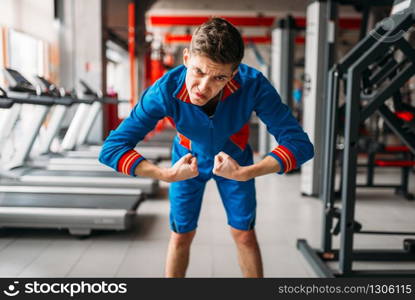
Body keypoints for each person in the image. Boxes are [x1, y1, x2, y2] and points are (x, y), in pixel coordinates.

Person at [99, 18, 314, 278]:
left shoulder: (253, 84)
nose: (203, 87)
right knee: (180, 236)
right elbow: (112, 149)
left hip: (237, 162)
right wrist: (166, 174)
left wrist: (248, 172)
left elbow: (300, 145)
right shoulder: (164, 90)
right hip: (186, 163)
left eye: (219, 77)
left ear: (233, 74)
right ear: (187, 58)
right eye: (198, 71)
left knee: (244, 235)